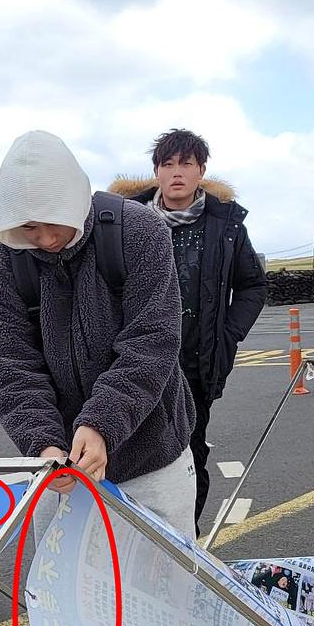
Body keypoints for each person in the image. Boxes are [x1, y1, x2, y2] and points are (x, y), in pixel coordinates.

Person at [0, 131, 197, 537]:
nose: (45, 239)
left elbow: (151, 342)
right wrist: (43, 444)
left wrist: (100, 425)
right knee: (60, 578)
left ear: (75, 200)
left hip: (152, 457)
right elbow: (11, 368)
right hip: (60, 466)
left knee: (166, 574)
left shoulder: (139, 231)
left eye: (53, 221)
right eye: (29, 227)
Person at [107, 129, 266, 536]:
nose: (177, 173)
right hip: (133, 362)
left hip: (196, 363)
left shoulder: (226, 224)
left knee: (190, 453)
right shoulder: (123, 221)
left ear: (201, 171)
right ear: (156, 172)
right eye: (168, 164)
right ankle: (130, 541)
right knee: (124, 452)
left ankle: (185, 542)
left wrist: (228, 335)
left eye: (186, 164)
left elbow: (252, 285)